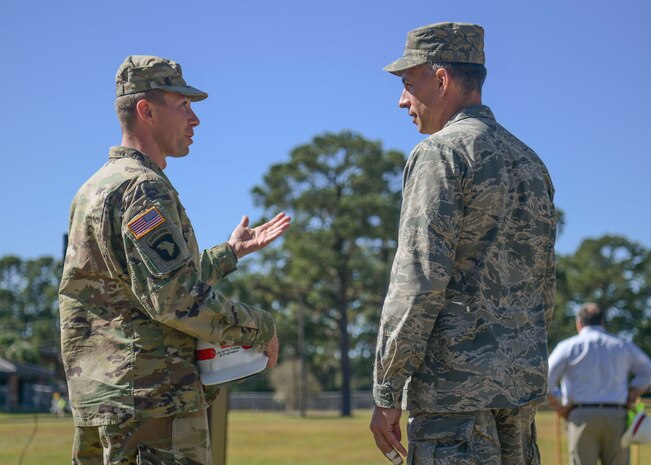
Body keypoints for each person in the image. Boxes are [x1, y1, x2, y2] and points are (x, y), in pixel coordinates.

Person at [59, 55, 291, 465]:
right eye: (182, 105)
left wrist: (229, 253)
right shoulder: (143, 189)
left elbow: (136, 287)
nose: (195, 118)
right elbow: (173, 298)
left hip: (102, 403)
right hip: (153, 408)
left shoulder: (93, 189)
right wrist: (259, 327)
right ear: (146, 111)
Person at [370, 22, 556, 465]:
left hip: (453, 399)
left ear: (441, 79)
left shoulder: (441, 152)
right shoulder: (530, 162)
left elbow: (418, 280)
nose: (401, 100)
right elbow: (544, 288)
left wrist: (387, 387)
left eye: (407, 83)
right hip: (518, 394)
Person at [547, 303, 651, 465]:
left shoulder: (567, 347)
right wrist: (632, 393)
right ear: (602, 322)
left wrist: (560, 405)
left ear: (579, 323)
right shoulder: (622, 345)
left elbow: (544, 380)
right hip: (617, 416)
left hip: (581, 415)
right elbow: (647, 371)